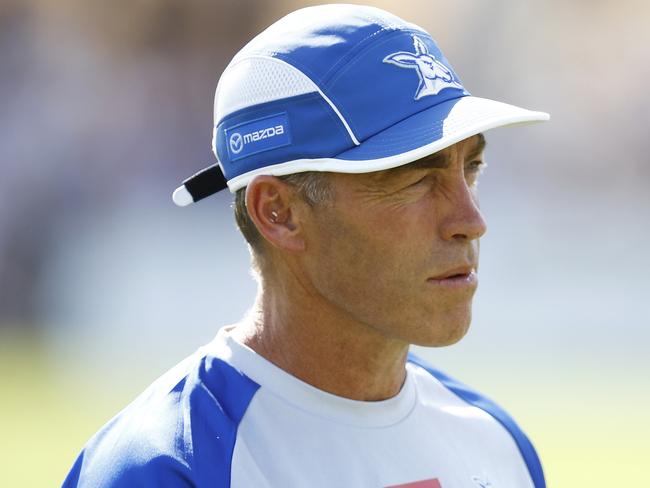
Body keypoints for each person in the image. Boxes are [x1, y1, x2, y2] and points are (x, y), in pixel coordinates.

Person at [63, 4, 549, 488]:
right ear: (278, 212)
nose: (472, 222)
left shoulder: (497, 444)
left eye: (472, 170)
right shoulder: (165, 468)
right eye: (416, 180)